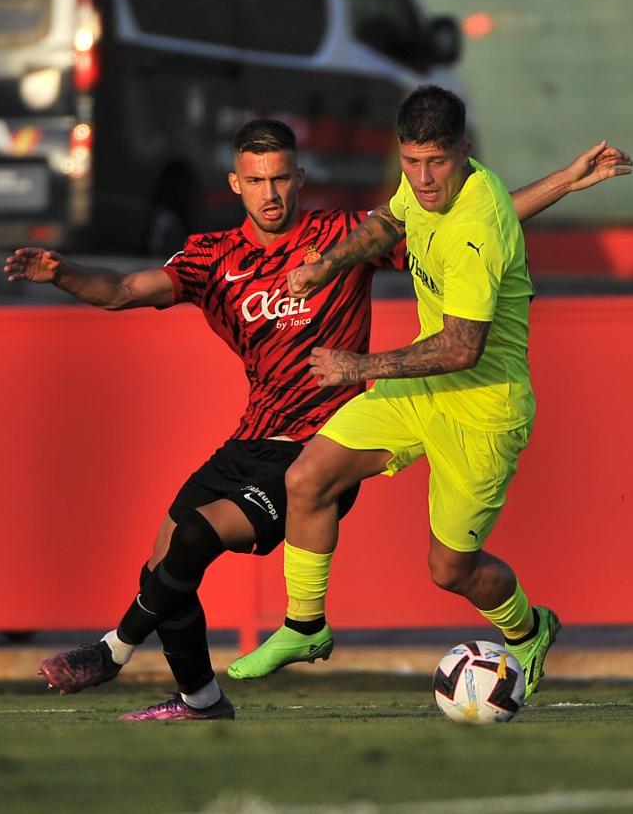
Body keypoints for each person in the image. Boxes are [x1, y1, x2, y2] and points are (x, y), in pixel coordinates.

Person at [5, 119, 632, 721]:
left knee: (197, 538)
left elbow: (469, 225)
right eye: (257, 181)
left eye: (280, 178)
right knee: (166, 555)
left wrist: (561, 182)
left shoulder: (342, 236)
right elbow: (121, 292)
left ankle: (113, 650)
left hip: (317, 442)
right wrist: (62, 275)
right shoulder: (212, 257)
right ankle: (200, 701)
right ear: (235, 185)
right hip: (251, 436)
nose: (270, 193)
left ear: (300, 178)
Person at [228, 86, 601, 701]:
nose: (423, 179)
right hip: (424, 390)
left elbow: (461, 348)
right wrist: (329, 264)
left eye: (437, 163)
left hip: (483, 411)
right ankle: (305, 626)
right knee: (308, 479)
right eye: (411, 161)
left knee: (448, 570)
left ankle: (530, 631)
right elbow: (388, 222)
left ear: (465, 153)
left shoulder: (477, 230)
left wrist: (356, 367)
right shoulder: (428, 189)